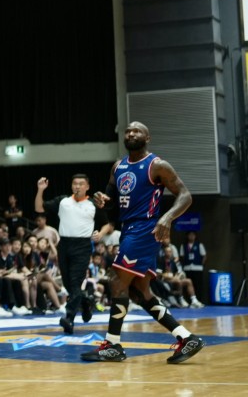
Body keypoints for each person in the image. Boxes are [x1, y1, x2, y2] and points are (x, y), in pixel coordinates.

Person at [83, 122, 205, 364]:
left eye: (136, 131)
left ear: (147, 137)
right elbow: (112, 203)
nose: (131, 134)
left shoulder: (157, 165)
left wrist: (168, 217)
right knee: (139, 291)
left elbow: (185, 195)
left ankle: (113, 344)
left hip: (145, 228)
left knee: (117, 280)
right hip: (129, 229)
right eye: (128, 131)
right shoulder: (118, 166)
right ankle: (186, 337)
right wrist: (103, 201)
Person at [35, 174, 112, 334]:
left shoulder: (93, 204)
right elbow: (39, 208)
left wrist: (101, 233)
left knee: (75, 283)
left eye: (81, 184)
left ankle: (69, 318)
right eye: (75, 183)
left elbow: (107, 224)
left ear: (87, 187)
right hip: (64, 245)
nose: (77, 186)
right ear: (71, 186)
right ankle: (86, 302)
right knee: (69, 285)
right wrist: (40, 190)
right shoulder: (63, 201)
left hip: (82, 246)